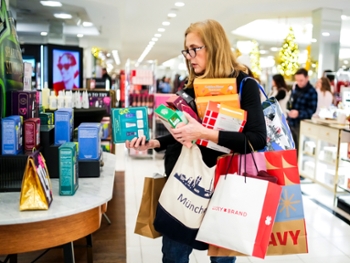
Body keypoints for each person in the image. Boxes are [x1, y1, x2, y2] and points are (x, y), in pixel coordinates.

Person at [125, 19, 266, 263]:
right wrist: (155, 143)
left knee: (221, 258)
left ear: (214, 46)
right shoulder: (191, 85)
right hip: (184, 183)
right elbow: (183, 132)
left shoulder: (245, 85)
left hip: (225, 189)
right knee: (174, 255)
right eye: (187, 50)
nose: (190, 56)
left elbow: (256, 139)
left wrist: (203, 133)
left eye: (195, 49)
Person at [287, 68, 317, 154]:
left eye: (301, 80)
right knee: (290, 148)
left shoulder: (312, 92)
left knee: (299, 149)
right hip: (291, 123)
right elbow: (290, 104)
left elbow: (312, 110)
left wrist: (299, 113)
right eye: (297, 80)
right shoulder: (295, 89)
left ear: (307, 78)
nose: (299, 83)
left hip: (302, 124)